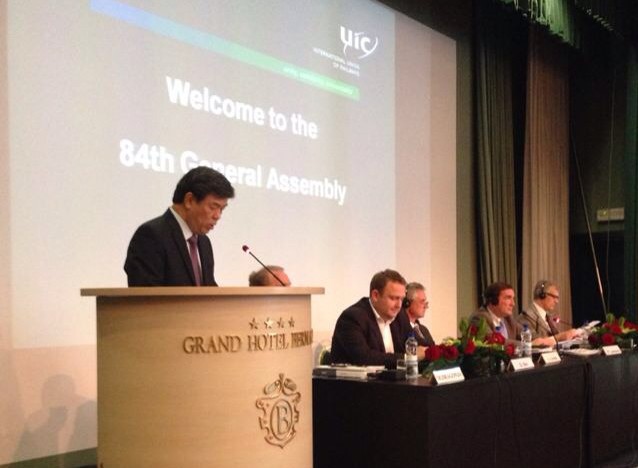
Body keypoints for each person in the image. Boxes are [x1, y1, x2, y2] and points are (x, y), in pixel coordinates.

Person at [124, 167, 235, 286]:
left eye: (222, 209)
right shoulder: (151, 236)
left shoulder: (204, 242)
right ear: (189, 200)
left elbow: (208, 291)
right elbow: (146, 294)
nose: (217, 216)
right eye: (213, 207)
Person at [330, 269, 424, 367]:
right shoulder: (352, 318)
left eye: (401, 299)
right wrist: (408, 358)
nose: (399, 305)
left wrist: (429, 353)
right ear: (375, 295)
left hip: (395, 376)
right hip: (358, 377)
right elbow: (364, 358)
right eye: (393, 298)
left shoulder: (400, 316)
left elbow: (417, 345)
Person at [519, 280, 581, 345]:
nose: (557, 301)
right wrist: (561, 337)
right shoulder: (525, 317)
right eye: (554, 297)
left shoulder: (548, 317)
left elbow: (556, 338)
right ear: (542, 295)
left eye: (557, 298)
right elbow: (534, 343)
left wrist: (571, 338)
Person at [400, 282, 435, 347]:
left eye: (426, 303)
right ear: (407, 303)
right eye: (422, 301)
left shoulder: (424, 330)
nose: (426, 306)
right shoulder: (399, 328)